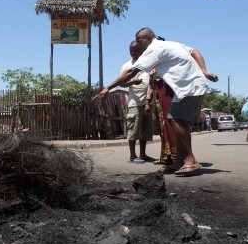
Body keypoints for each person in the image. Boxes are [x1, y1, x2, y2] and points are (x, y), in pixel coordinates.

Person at [93, 27, 219, 175]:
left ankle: (190, 160)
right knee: (174, 120)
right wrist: (204, 71)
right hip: (188, 86)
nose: (138, 45)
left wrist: (108, 87)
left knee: (179, 121)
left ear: (150, 38)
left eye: (140, 41)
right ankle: (178, 162)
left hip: (189, 86)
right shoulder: (170, 44)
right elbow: (195, 51)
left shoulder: (155, 48)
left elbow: (131, 72)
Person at [119, 41, 155, 163]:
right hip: (134, 102)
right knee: (133, 130)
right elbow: (121, 83)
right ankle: (132, 156)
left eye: (136, 50)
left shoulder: (148, 64)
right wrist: (133, 82)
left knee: (145, 131)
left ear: (142, 51)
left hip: (147, 103)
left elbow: (152, 82)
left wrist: (148, 103)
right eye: (131, 50)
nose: (133, 53)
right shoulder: (127, 66)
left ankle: (143, 154)